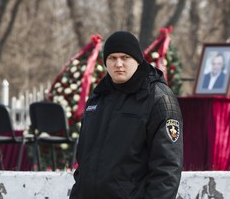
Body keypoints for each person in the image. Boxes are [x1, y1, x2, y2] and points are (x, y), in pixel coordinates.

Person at [70, 31, 183, 198]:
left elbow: (167, 168)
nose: (118, 64)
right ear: (105, 62)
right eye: (112, 58)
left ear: (137, 60)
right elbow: (84, 160)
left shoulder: (159, 99)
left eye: (125, 57)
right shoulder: (98, 97)